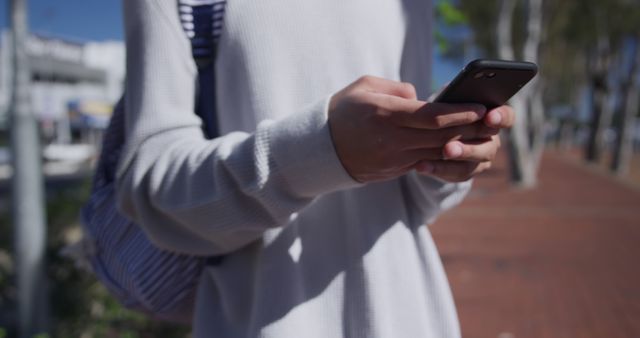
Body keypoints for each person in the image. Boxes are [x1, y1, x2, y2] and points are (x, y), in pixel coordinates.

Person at [117, 0, 514, 337]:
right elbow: (151, 188)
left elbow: (414, 204)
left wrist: (446, 159)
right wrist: (320, 151)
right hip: (263, 320)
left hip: (409, 313)